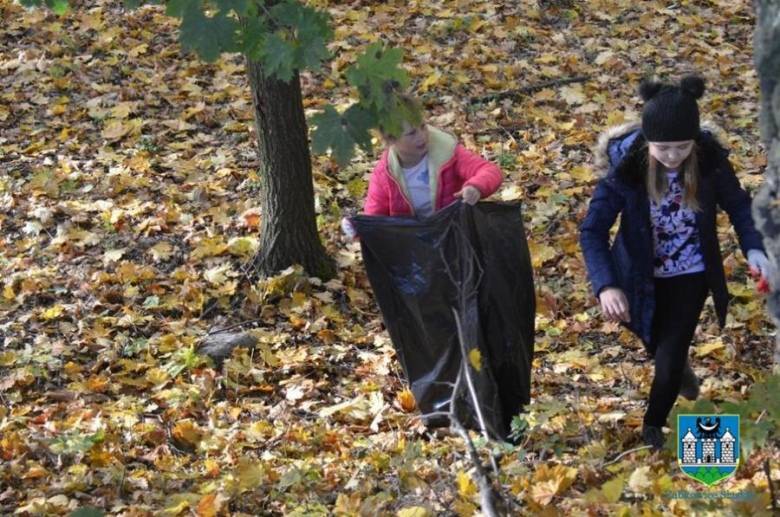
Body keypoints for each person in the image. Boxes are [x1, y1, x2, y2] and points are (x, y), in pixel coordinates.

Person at [579, 76, 769, 449]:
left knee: (667, 357)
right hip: (639, 274)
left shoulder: (710, 163)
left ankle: (652, 427)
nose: (671, 156)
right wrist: (607, 285)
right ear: (648, 142)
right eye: (662, 148)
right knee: (655, 339)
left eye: (681, 147)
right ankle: (674, 364)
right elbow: (592, 230)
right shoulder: (627, 170)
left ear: (694, 141)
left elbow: (741, 209)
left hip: (691, 274)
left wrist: (756, 250)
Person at [341, 95, 503, 237]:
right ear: (392, 140)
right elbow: (376, 220)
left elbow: (489, 170)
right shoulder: (385, 174)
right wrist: (359, 228)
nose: (422, 136)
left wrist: (476, 187)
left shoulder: (446, 152)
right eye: (411, 133)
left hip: (454, 233)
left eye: (423, 126)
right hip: (413, 243)